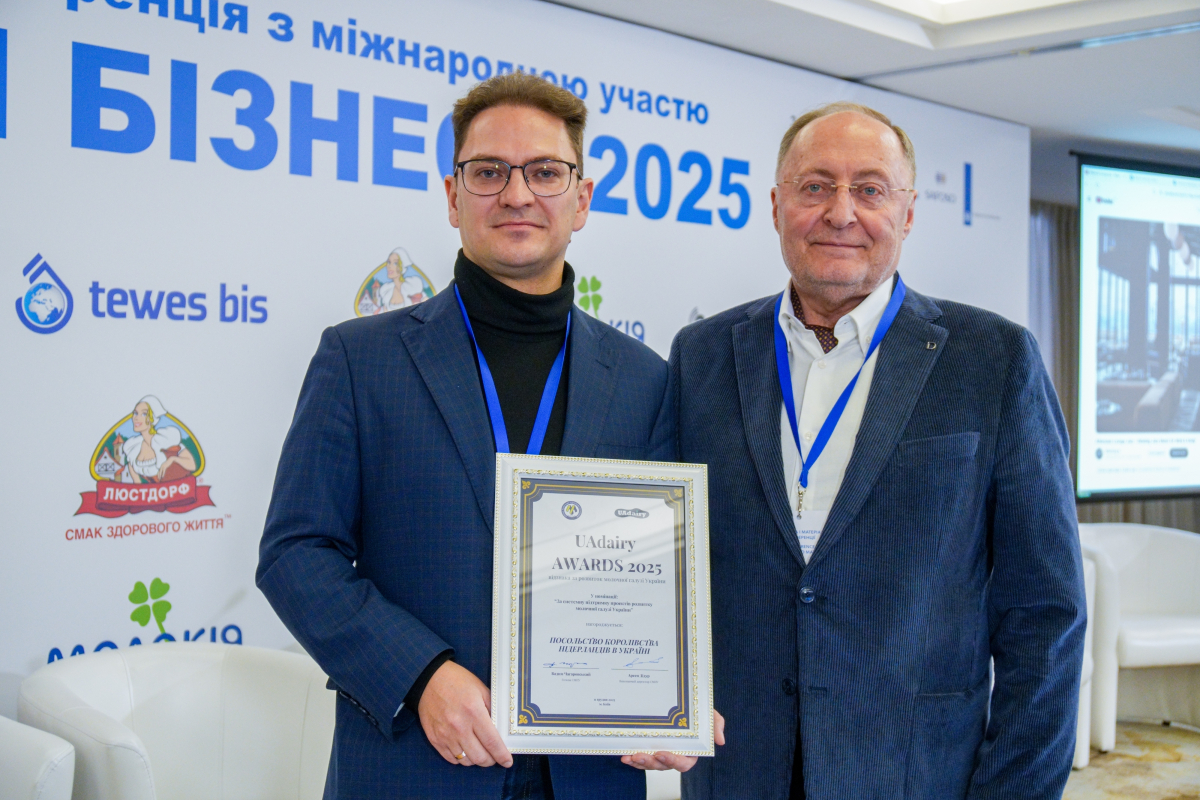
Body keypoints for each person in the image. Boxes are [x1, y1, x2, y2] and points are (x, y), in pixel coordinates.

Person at [258, 73, 718, 800]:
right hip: (416, 766)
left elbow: (662, 573)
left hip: (589, 775)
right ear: (453, 196)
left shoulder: (644, 378)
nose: (517, 194)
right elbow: (295, 553)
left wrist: (669, 690)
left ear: (582, 199)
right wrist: (420, 674)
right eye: (489, 172)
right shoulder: (359, 360)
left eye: (545, 172)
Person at [670, 102, 1085, 799]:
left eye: (869, 189)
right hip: (737, 768)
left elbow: (1045, 615)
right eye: (814, 186)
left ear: (908, 212)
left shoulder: (995, 360)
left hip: (913, 773)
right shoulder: (702, 356)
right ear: (775, 206)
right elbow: (662, 560)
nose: (840, 213)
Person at [116, 395, 195, 483]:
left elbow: (192, 465)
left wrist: (172, 460)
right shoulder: (133, 449)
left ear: (152, 418)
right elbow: (137, 485)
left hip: (177, 488)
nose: (136, 418)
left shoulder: (166, 439)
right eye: (135, 413)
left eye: (144, 414)